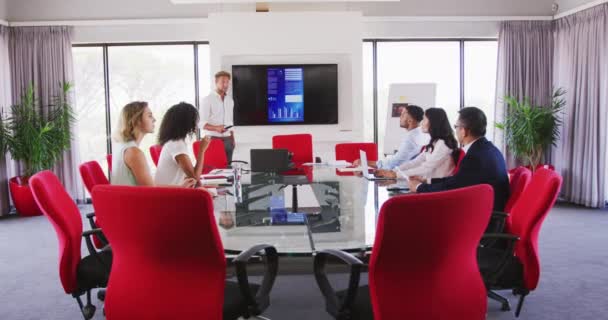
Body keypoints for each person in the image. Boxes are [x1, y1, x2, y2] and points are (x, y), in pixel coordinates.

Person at [409, 107, 510, 211]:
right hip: (485, 208)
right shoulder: (486, 149)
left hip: (482, 216)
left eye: (456, 126)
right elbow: (458, 180)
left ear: (463, 131)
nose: (455, 130)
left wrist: (419, 187)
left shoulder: (475, 157)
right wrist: (428, 181)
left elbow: (452, 188)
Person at [111, 101, 196, 187]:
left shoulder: (121, 147)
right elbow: (150, 191)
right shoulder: (134, 152)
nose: (154, 119)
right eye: (149, 116)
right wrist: (181, 188)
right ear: (136, 120)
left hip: (124, 199)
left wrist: (180, 187)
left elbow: (150, 186)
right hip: (135, 199)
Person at [375, 108, 460, 182]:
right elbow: (415, 162)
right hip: (428, 182)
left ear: (433, 122)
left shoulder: (442, 144)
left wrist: (396, 175)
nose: (421, 123)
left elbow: (426, 168)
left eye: (424, 119)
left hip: (437, 189)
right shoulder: (434, 142)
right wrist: (394, 171)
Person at [154, 102, 211, 187]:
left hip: (170, 191)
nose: (196, 124)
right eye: (194, 120)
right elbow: (195, 178)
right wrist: (202, 150)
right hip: (169, 196)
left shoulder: (174, 142)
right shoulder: (177, 144)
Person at [353, 105, 429, 169]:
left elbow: (393, 163)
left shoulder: (410, 138)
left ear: (410, 120)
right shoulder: (421, 134)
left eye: (402, 115)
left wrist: (365, 162)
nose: (400, 118)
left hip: (401, 180)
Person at [201, 71, 235, 162]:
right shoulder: (207, 100)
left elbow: (230, 121)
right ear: (216, 82)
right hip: (213, 139)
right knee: (214, 170)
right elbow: (200, 124)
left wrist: (232, 138)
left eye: (227, 82)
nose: (226, 85)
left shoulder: (230, 100)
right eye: (223, 82)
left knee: (228, 169)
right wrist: (216, 128)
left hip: (228, 140)